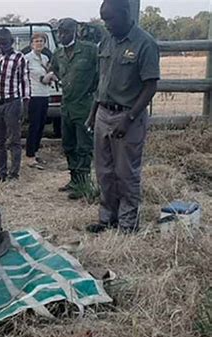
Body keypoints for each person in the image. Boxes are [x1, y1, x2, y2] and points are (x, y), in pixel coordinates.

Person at [86, 0, 160, 233]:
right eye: (103, 19)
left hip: (128, 116)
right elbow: (102, 83)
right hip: (103, 114)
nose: (106, 24)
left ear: (126, 14)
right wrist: (92, 114)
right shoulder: (106, 41)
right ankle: (107, 217)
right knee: (104, 171)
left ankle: (128, 223)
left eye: (110, 19)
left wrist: (128, 119)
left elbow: (150, 86)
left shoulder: (145, 43)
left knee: (126, 172)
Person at [48, 18, 98, 199]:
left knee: (84, 146)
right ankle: (74, 179)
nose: (61, 35)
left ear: (74, 31)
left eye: (65, 32)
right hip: (66, 106)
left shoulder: (90, 50)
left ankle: (84, 184)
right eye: (59, 32)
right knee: (68, 145)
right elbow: (53, 69)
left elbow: (101, 74)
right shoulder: (58, 53)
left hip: (84, 106)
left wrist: (94, 95)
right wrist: (50, 75)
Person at [0, 28, 31, 182]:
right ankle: (1, 172)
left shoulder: (19, 58)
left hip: (12, 102)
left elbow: (25, 81)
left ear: (11, 42)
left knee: (14, 140)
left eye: (4, 43)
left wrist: (26, 102)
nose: (1, 46)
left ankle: (14, 174)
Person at [24, 33, 51, 170]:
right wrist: (50, 76)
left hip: (45, 94)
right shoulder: (27, 58)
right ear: (31, 44)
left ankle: (35, 152)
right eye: (36, 41)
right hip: (33, 95)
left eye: (41, 41)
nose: (39, 43)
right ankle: (29, 156)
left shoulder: (45, 58)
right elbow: (42, 78)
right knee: (33, 126)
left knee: (41, 126)